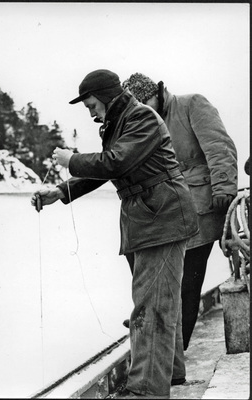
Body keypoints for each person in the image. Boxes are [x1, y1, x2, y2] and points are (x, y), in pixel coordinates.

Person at [31, 69, 198, 399]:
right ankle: (172, 373)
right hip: (148, 220)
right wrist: (61, 192)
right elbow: (109, 168)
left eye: (91, 104)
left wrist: (71, 160)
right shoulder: (119, 123)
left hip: (162, 219)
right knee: (160, 301)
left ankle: (146, 391)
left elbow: (115, 163)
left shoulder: (141, 118)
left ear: (106, 96)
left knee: (150, 308)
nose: (91, 112)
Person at [122, 73, 238, 351]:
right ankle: (155, 329)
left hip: (201, 209)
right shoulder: (142, 123)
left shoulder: (192, 105)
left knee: (187, 282)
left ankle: (175, 349)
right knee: (161, 279)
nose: (145, 111)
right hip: (166, 213)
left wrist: (224, 188)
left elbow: (220, 147)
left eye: (146, 102)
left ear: (158, 93)